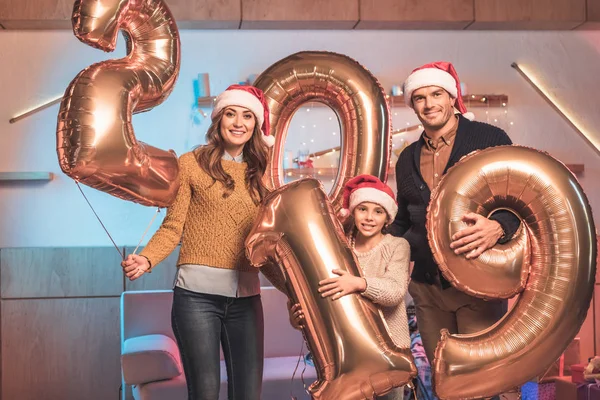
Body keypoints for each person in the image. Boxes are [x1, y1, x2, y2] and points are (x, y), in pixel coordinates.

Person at [121, 84, 284, 400]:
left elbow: (270, 240)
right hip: (196, 299)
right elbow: (172, 227)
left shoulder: (263, 175)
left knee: (248, 394)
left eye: (247, 116)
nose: (238, 123)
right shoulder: (190, 163)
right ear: (218, 120)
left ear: (257, 124)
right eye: (231, 114)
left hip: (247, 299)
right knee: (205, 393)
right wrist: (148, 258)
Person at [390, 61, 521, 367]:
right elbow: (402, 221)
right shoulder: (406, 158)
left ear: (452, 97)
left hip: (478, 283)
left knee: (481, 380)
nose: (429, 104)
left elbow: (521, 198)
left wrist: (499, 227)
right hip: (427, 288)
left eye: (437, 94)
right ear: (412, 105)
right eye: (419, 98)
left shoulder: (490, 139)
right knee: (444, 378)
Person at [289, 174, 411, 400]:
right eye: (363, 209)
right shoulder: (339, 248)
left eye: (378, 211)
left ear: (388, 218)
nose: (369, 218)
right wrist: (297, 316)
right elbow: (318, 292)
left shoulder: (397, 246)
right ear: (353, 212)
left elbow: (395, 291)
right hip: (347, 354)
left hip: (389, 352)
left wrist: (358, 283)